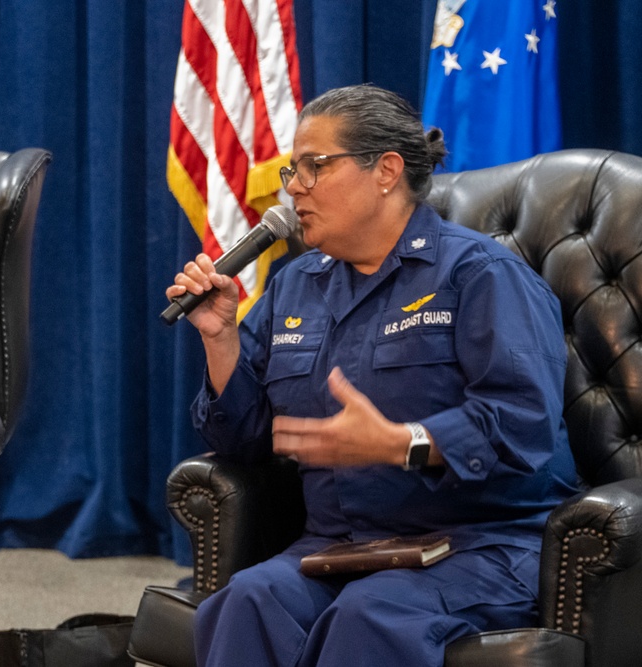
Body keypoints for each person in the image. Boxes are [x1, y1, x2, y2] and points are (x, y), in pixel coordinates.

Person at [166, 84, 579, 666]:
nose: (293, 188)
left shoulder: (481, 275)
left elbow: (523, 423)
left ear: (385, 170)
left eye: (315, 166)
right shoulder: (295, 284)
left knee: (370, 616)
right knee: (248, 600)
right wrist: (221, 338)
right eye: (292, 169)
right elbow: (245, 441)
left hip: (477, 544)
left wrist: (403, 443)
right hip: (340, 547)